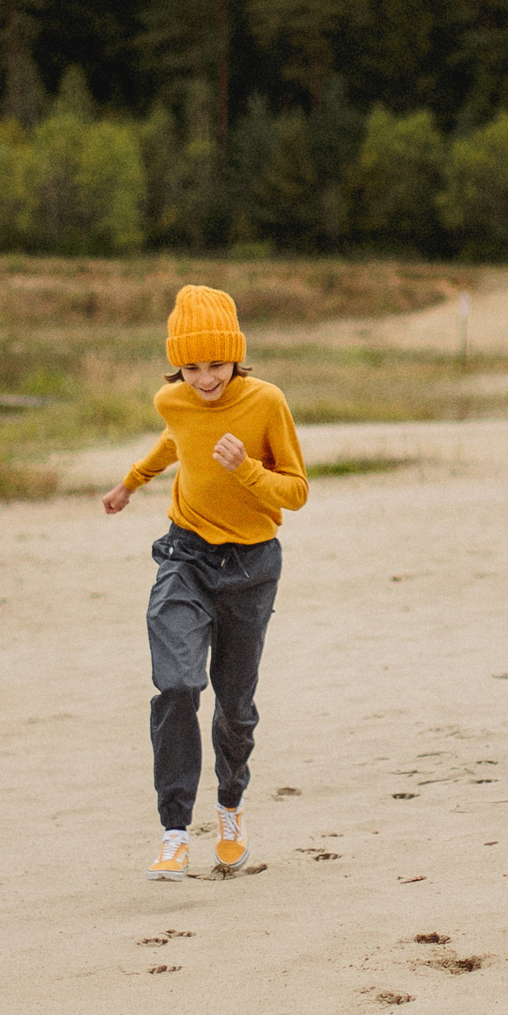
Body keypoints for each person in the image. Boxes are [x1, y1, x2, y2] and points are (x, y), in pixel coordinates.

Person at [101, 285, 310, 876]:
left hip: (251, 566)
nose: (204, 378)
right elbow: (176, 440)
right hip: (185, 555)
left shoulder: (268, 402)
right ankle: (173, 828)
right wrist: (131, 483)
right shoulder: (174, 400)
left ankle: (230, 805)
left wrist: (244, 468)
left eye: (215, 364)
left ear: (236, 358)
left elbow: (296, 490)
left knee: (236, 706)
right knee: (176, 685)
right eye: (191, 367)